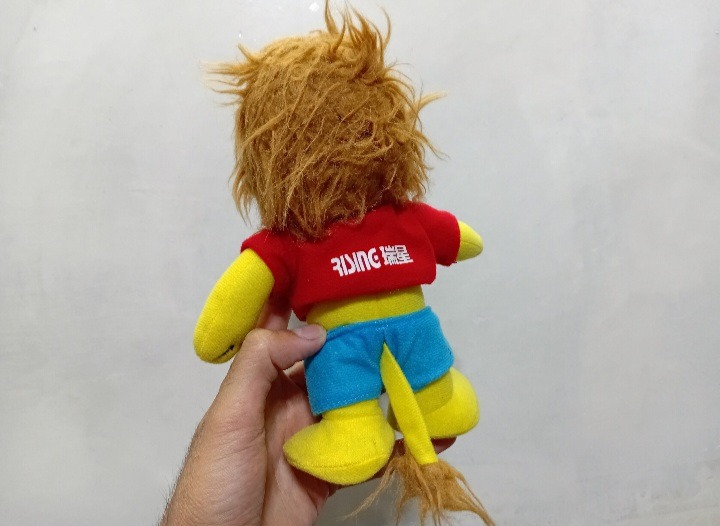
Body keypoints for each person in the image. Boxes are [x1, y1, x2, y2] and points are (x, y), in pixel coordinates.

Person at [160, 301, 455, 526]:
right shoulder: (287, 245)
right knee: (348, 393)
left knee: (430, 379)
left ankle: (438, 397)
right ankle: (355, 426)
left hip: (402, 331)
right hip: (343, 346)